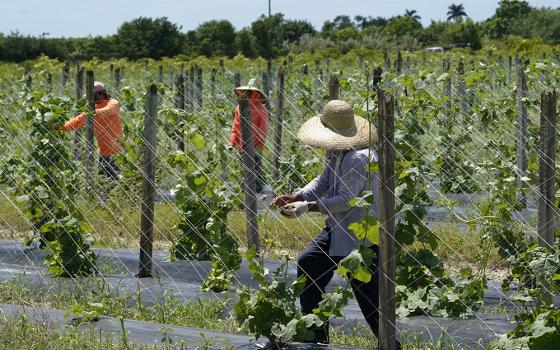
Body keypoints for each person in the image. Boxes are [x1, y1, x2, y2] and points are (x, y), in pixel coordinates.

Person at [272, 99, 398, 348]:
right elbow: (324, 179)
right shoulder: (339, 152)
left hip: (361, 235)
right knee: (309, 263)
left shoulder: (359, 158)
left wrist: (307, 208)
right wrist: (298, 196)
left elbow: (346, 200)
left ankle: (390, 344)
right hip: (338, 228)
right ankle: (316, 337)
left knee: (368, 295)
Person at [59, 81, 123, 180]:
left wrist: (91, 113)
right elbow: (75, 122)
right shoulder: (91, 110)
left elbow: (109, 111)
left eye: (92, 96)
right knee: (107, 179)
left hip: (116, 149)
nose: (90, 99)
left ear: (100, 95)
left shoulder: (112, 103)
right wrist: (60, 127)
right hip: (104, 151)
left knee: (116, 178)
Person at [229, 79, 269, 193]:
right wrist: (232, 142)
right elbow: (236, 126)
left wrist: (257, 145)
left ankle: (257, 192)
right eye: (247, 91)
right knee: (243, 168)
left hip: (255, 146)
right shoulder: (239, 108)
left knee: (255, 168)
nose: (249, 93)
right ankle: (245, 193)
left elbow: (263, 129)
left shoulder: (262, 109)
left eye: (251, 91)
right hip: (242, 145)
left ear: (257, 93)